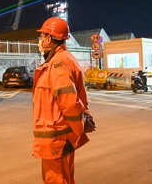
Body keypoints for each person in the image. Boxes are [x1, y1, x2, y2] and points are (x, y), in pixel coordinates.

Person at [32, 17, 95, 184]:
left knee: (56, 180)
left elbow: (68, 100)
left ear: (51, 38)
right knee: (65, 179)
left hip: (57, 138)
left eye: (43, 35)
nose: (41, 40)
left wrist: (79, 128)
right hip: (60, 136)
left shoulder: (58, 62)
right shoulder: (64, 58)